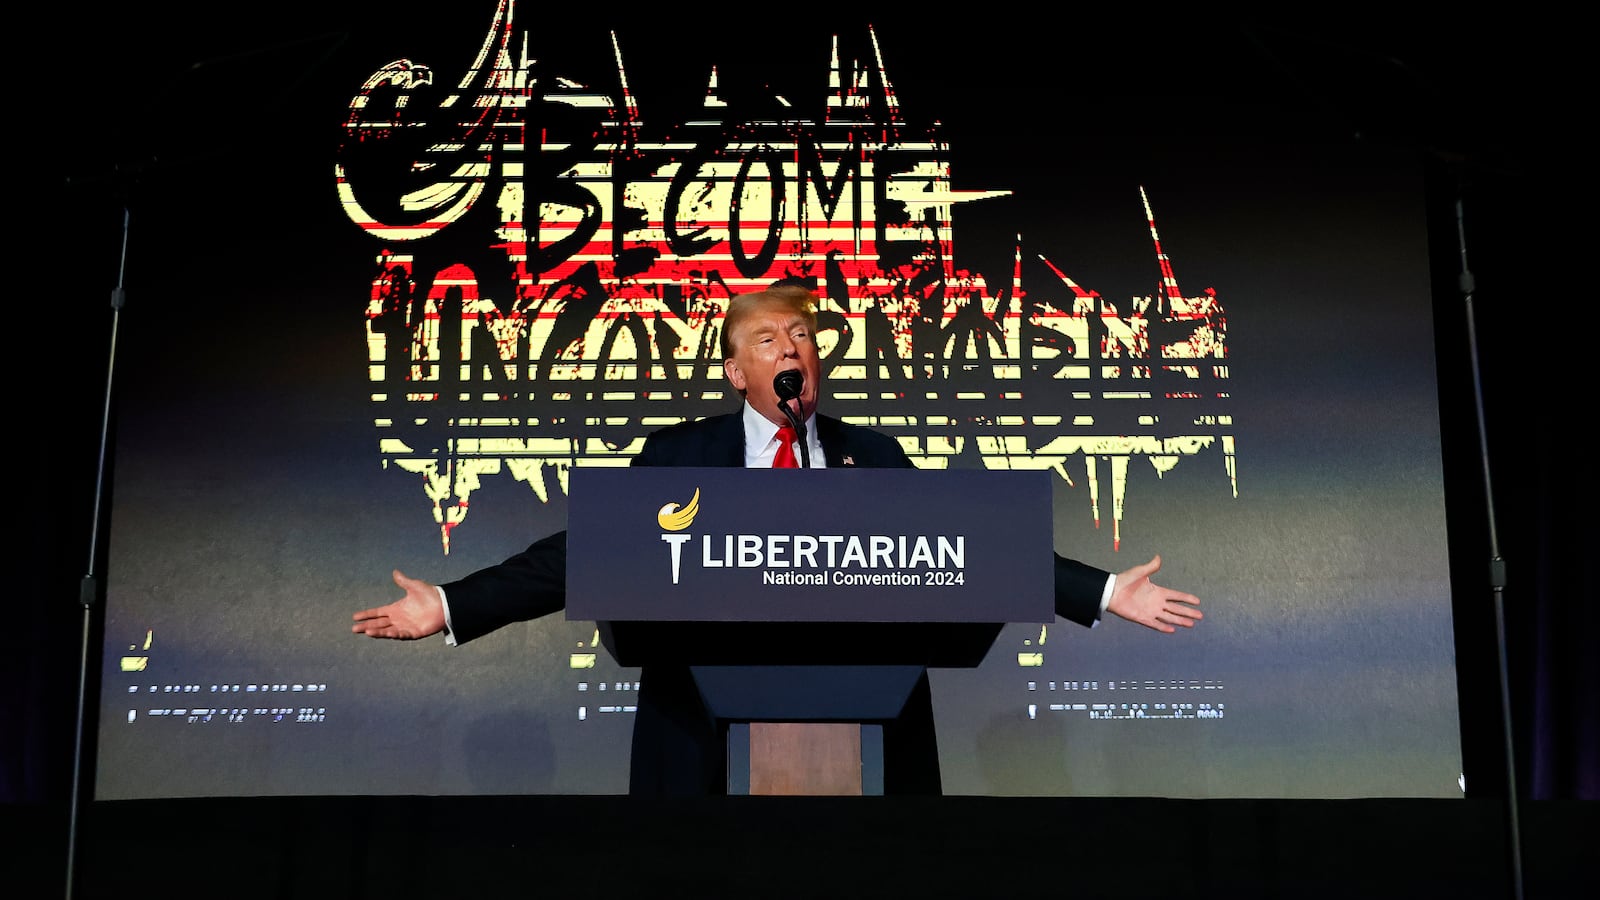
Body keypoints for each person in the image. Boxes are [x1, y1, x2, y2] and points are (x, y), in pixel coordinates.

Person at [353, 284, 1202, 793]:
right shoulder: (680, 455)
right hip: (703, 735)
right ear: (735, 371)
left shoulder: (870, 458)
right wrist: (454, 603)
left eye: (801, 335)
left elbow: (965, 551)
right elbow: (586, 555)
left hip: (865, 726)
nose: (791, 346)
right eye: (767, 338)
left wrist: (1099, 590)